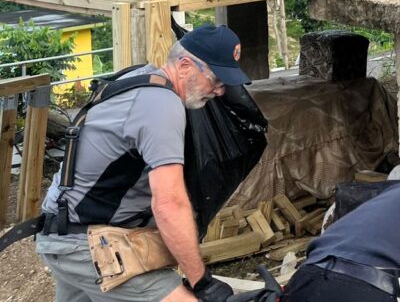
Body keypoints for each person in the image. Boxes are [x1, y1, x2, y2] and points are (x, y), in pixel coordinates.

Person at [35, 25, 251, 301]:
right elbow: (169, 204)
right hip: (86, 244)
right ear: (185, 66)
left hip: (61, 232)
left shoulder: (140, 78)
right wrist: (201, 281)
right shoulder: (160, 105)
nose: (220, 91)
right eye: (216, 79)